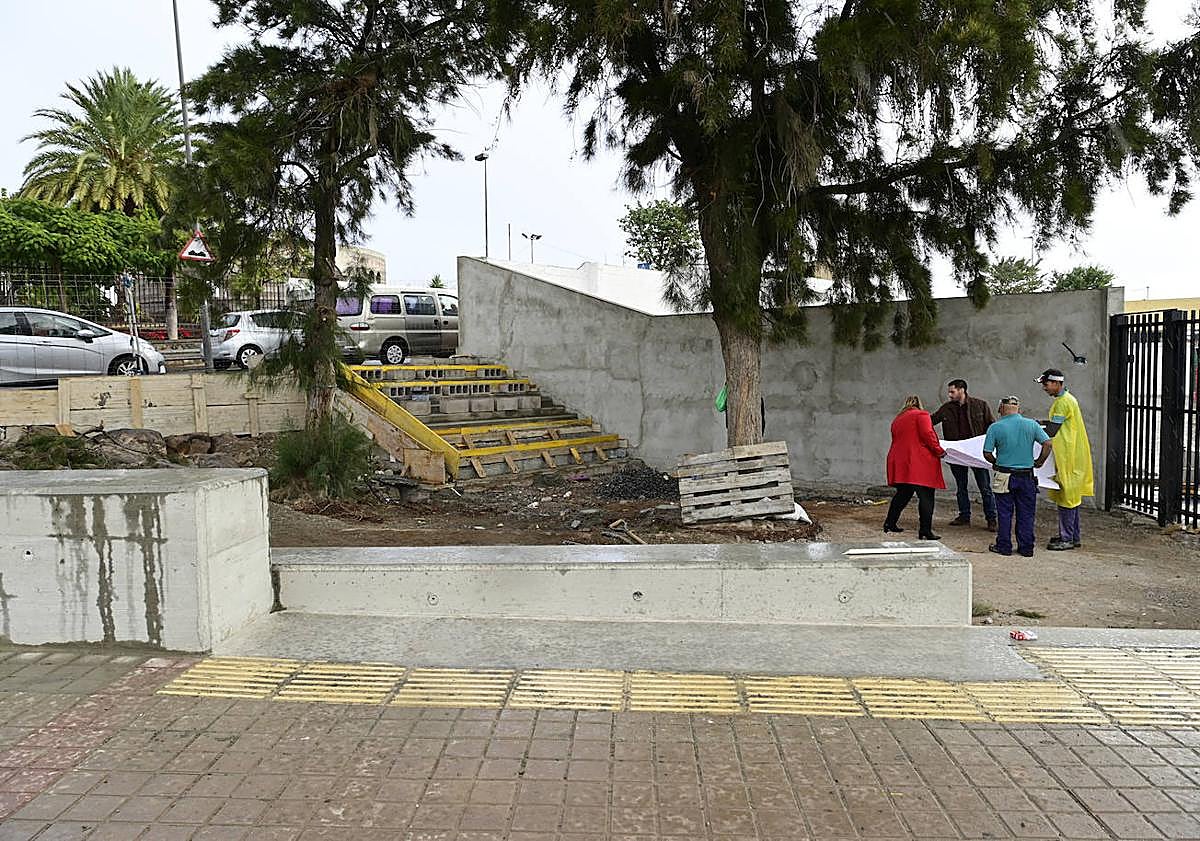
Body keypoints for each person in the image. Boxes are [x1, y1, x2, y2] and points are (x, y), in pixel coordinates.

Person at [982, 396, 1053, 557]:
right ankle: (1026, 548)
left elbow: (987, 453)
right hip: (1027, 476)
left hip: (1004, 475)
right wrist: (1039, 461)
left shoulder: (995, 427)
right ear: (1018, 408)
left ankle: (1004, 546)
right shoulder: (1031, 425)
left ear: (1001, 408)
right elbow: (1048, 443)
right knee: (1026, 513)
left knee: (1005, 512)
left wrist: (995, 462)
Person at [1037, 368, 1094, 550]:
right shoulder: (1068, 399)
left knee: (1067, 498)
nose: (1044, 388)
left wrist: (1032, 429)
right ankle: (1072, 535)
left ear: (1056, 383)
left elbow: (1052, 430)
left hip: (1068, 456)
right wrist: (1037, 424)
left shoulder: (1063, 403)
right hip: (1073, 454)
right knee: (1072, 498)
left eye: (1046, 384)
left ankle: (1067, 538)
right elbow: (1055, 425)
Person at [930, 378, 997, 529]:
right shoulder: (946, 408)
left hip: (976, 452)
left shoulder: (980, 405)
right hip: (957, 453)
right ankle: (964, 515)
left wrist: (990, 447)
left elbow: (992, 427)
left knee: (985, 487)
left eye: (952, 391)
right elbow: (930, 421)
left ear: (962, 390)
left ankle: (991, 518)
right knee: (961, 486)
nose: (950, 395)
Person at [884, 395, 947, 540]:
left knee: (903, 494)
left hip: (899, 461)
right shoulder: (922, 415)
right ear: (919, 404)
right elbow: (928, 434)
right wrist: (939, 450)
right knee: (926, 497)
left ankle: (890, 523)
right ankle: (925, 530)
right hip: (919, 462)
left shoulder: (898, 419)